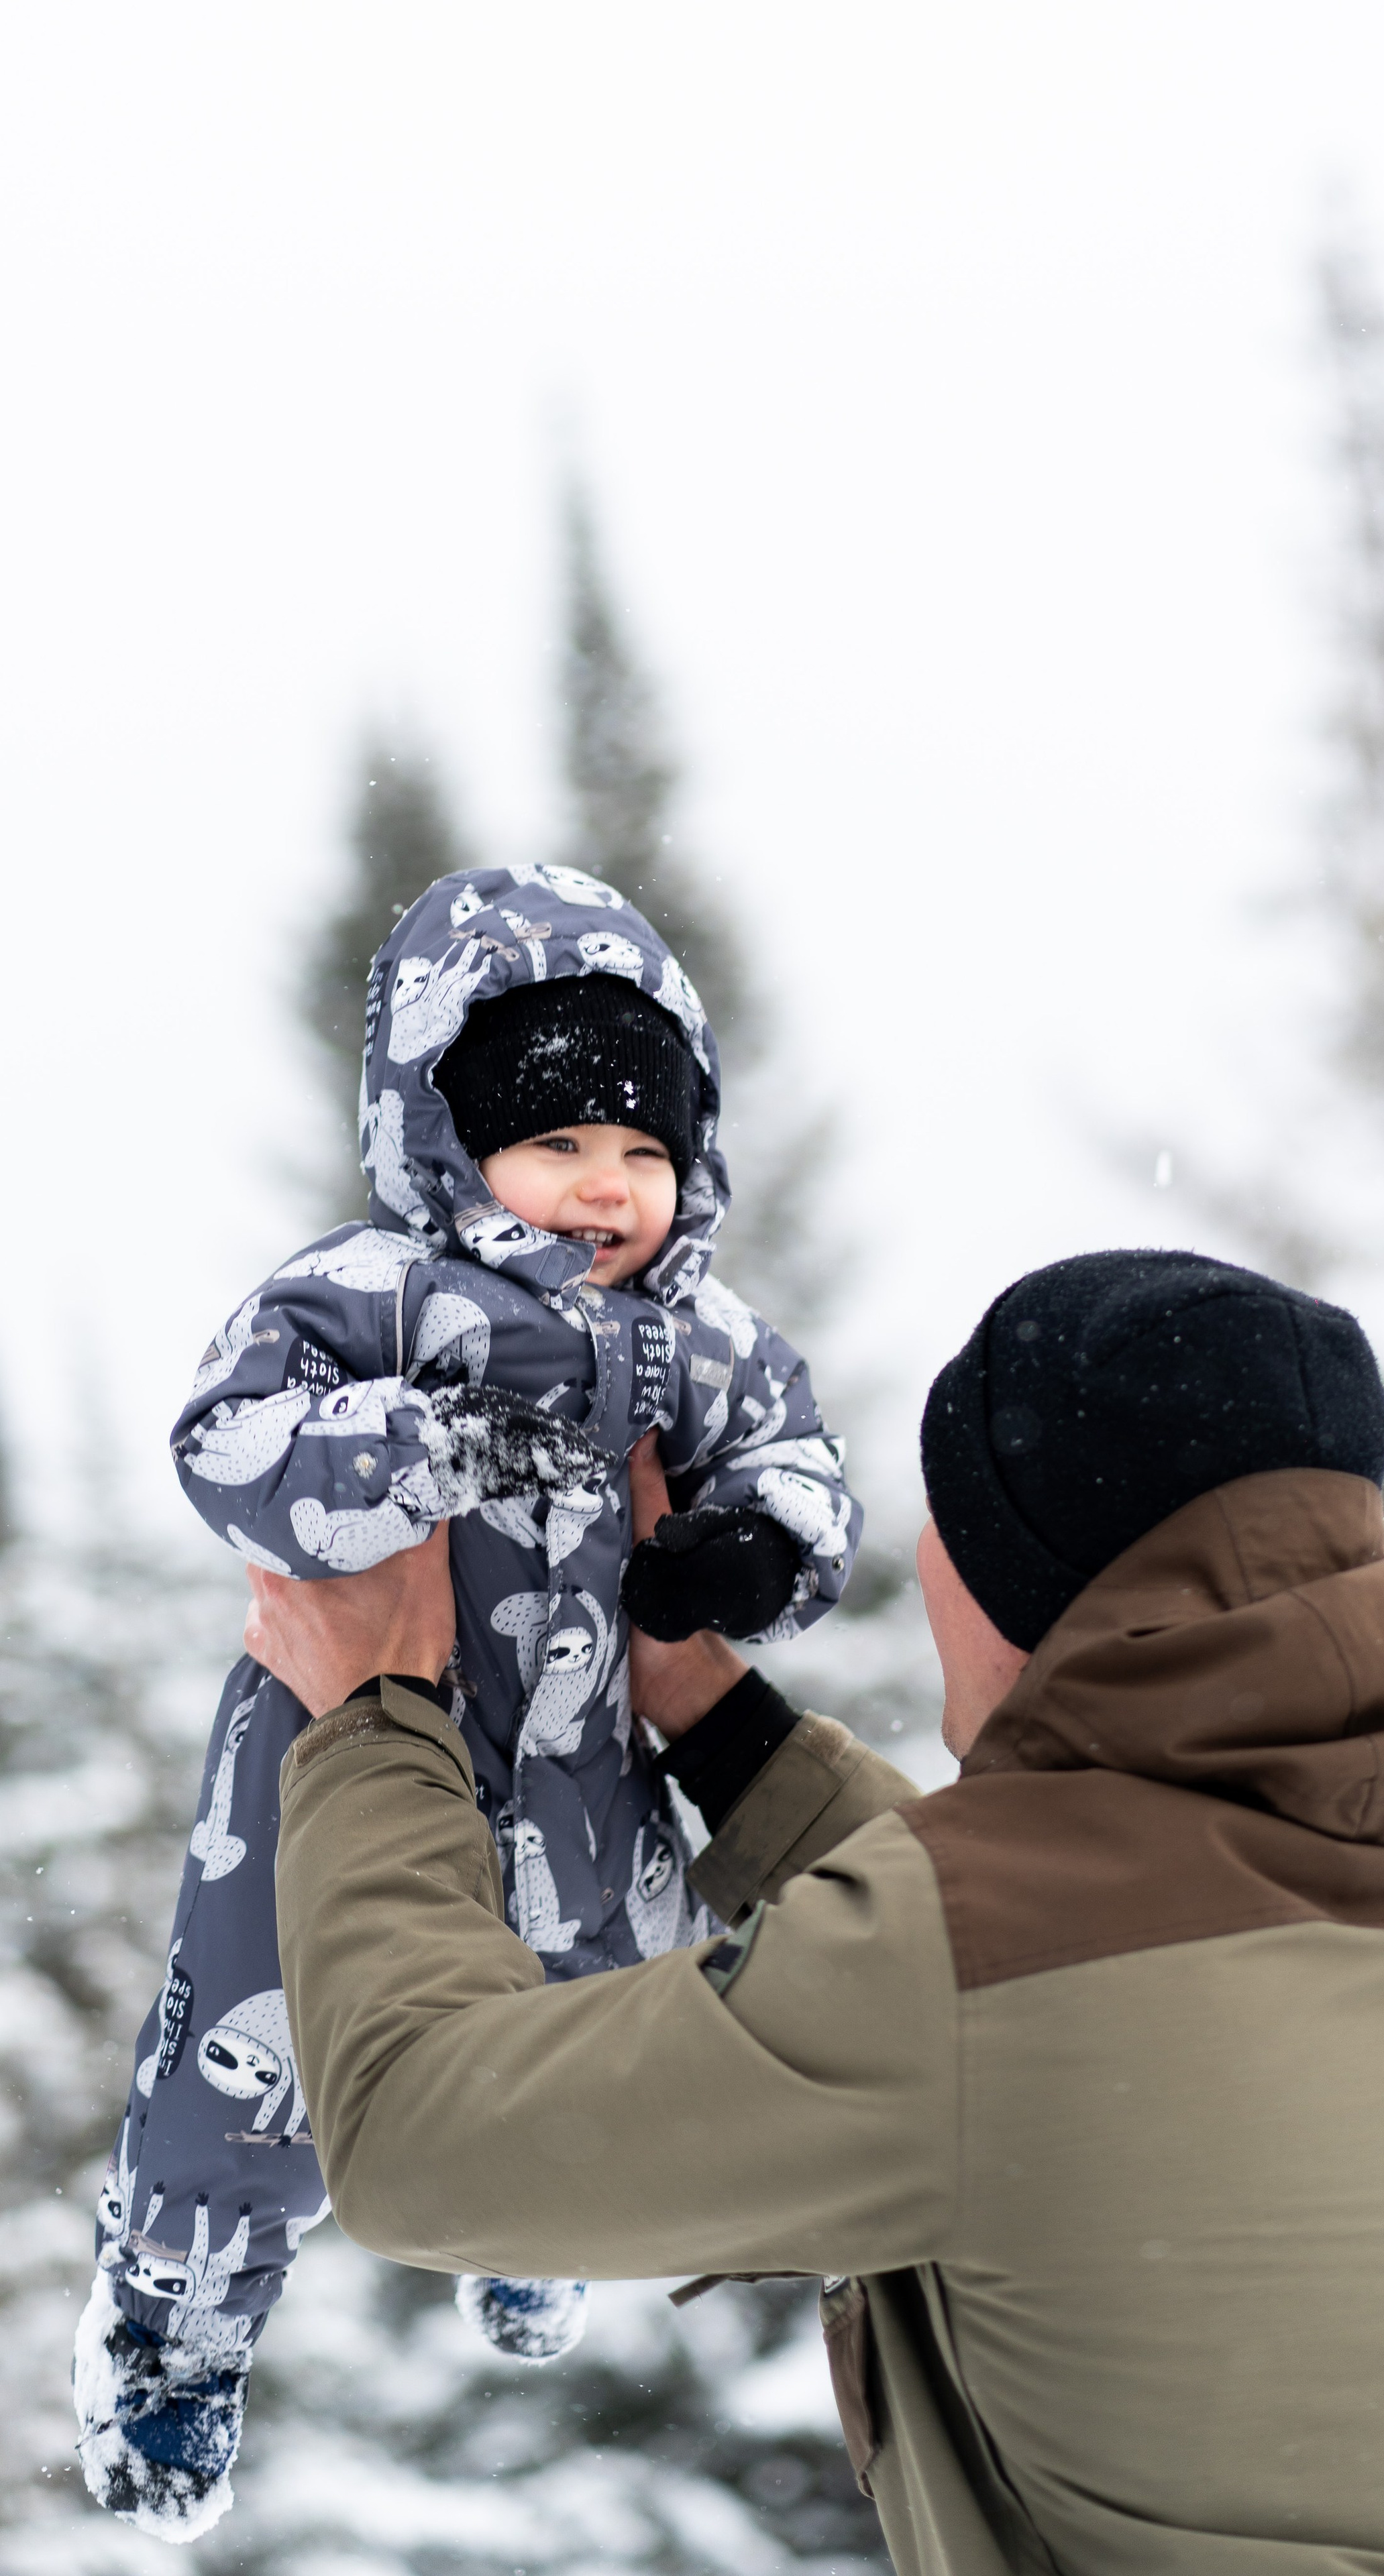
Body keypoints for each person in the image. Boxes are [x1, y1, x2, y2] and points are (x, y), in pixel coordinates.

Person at [174, 1253, 1384, 2571]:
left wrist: (375, 1709)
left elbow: (417, 2137)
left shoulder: (969, 1974)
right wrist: (713, 1723)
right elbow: (1081, 1988)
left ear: (1011, 1582)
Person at [74, 863, 859, 2540]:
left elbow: (805, 1471)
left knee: (586, 2024)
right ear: (448, 1135)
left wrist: (741, 1555)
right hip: (330, 1749)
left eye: (645, 1151)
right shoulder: (371, 1296)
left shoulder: (697, 1341)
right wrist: (419, 1449)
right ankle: (174, 2327)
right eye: (561, 1142)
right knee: (251, 2066)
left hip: (586, 1787)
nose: (606, 1187)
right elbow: (230, 1442)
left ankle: (536, 2225)